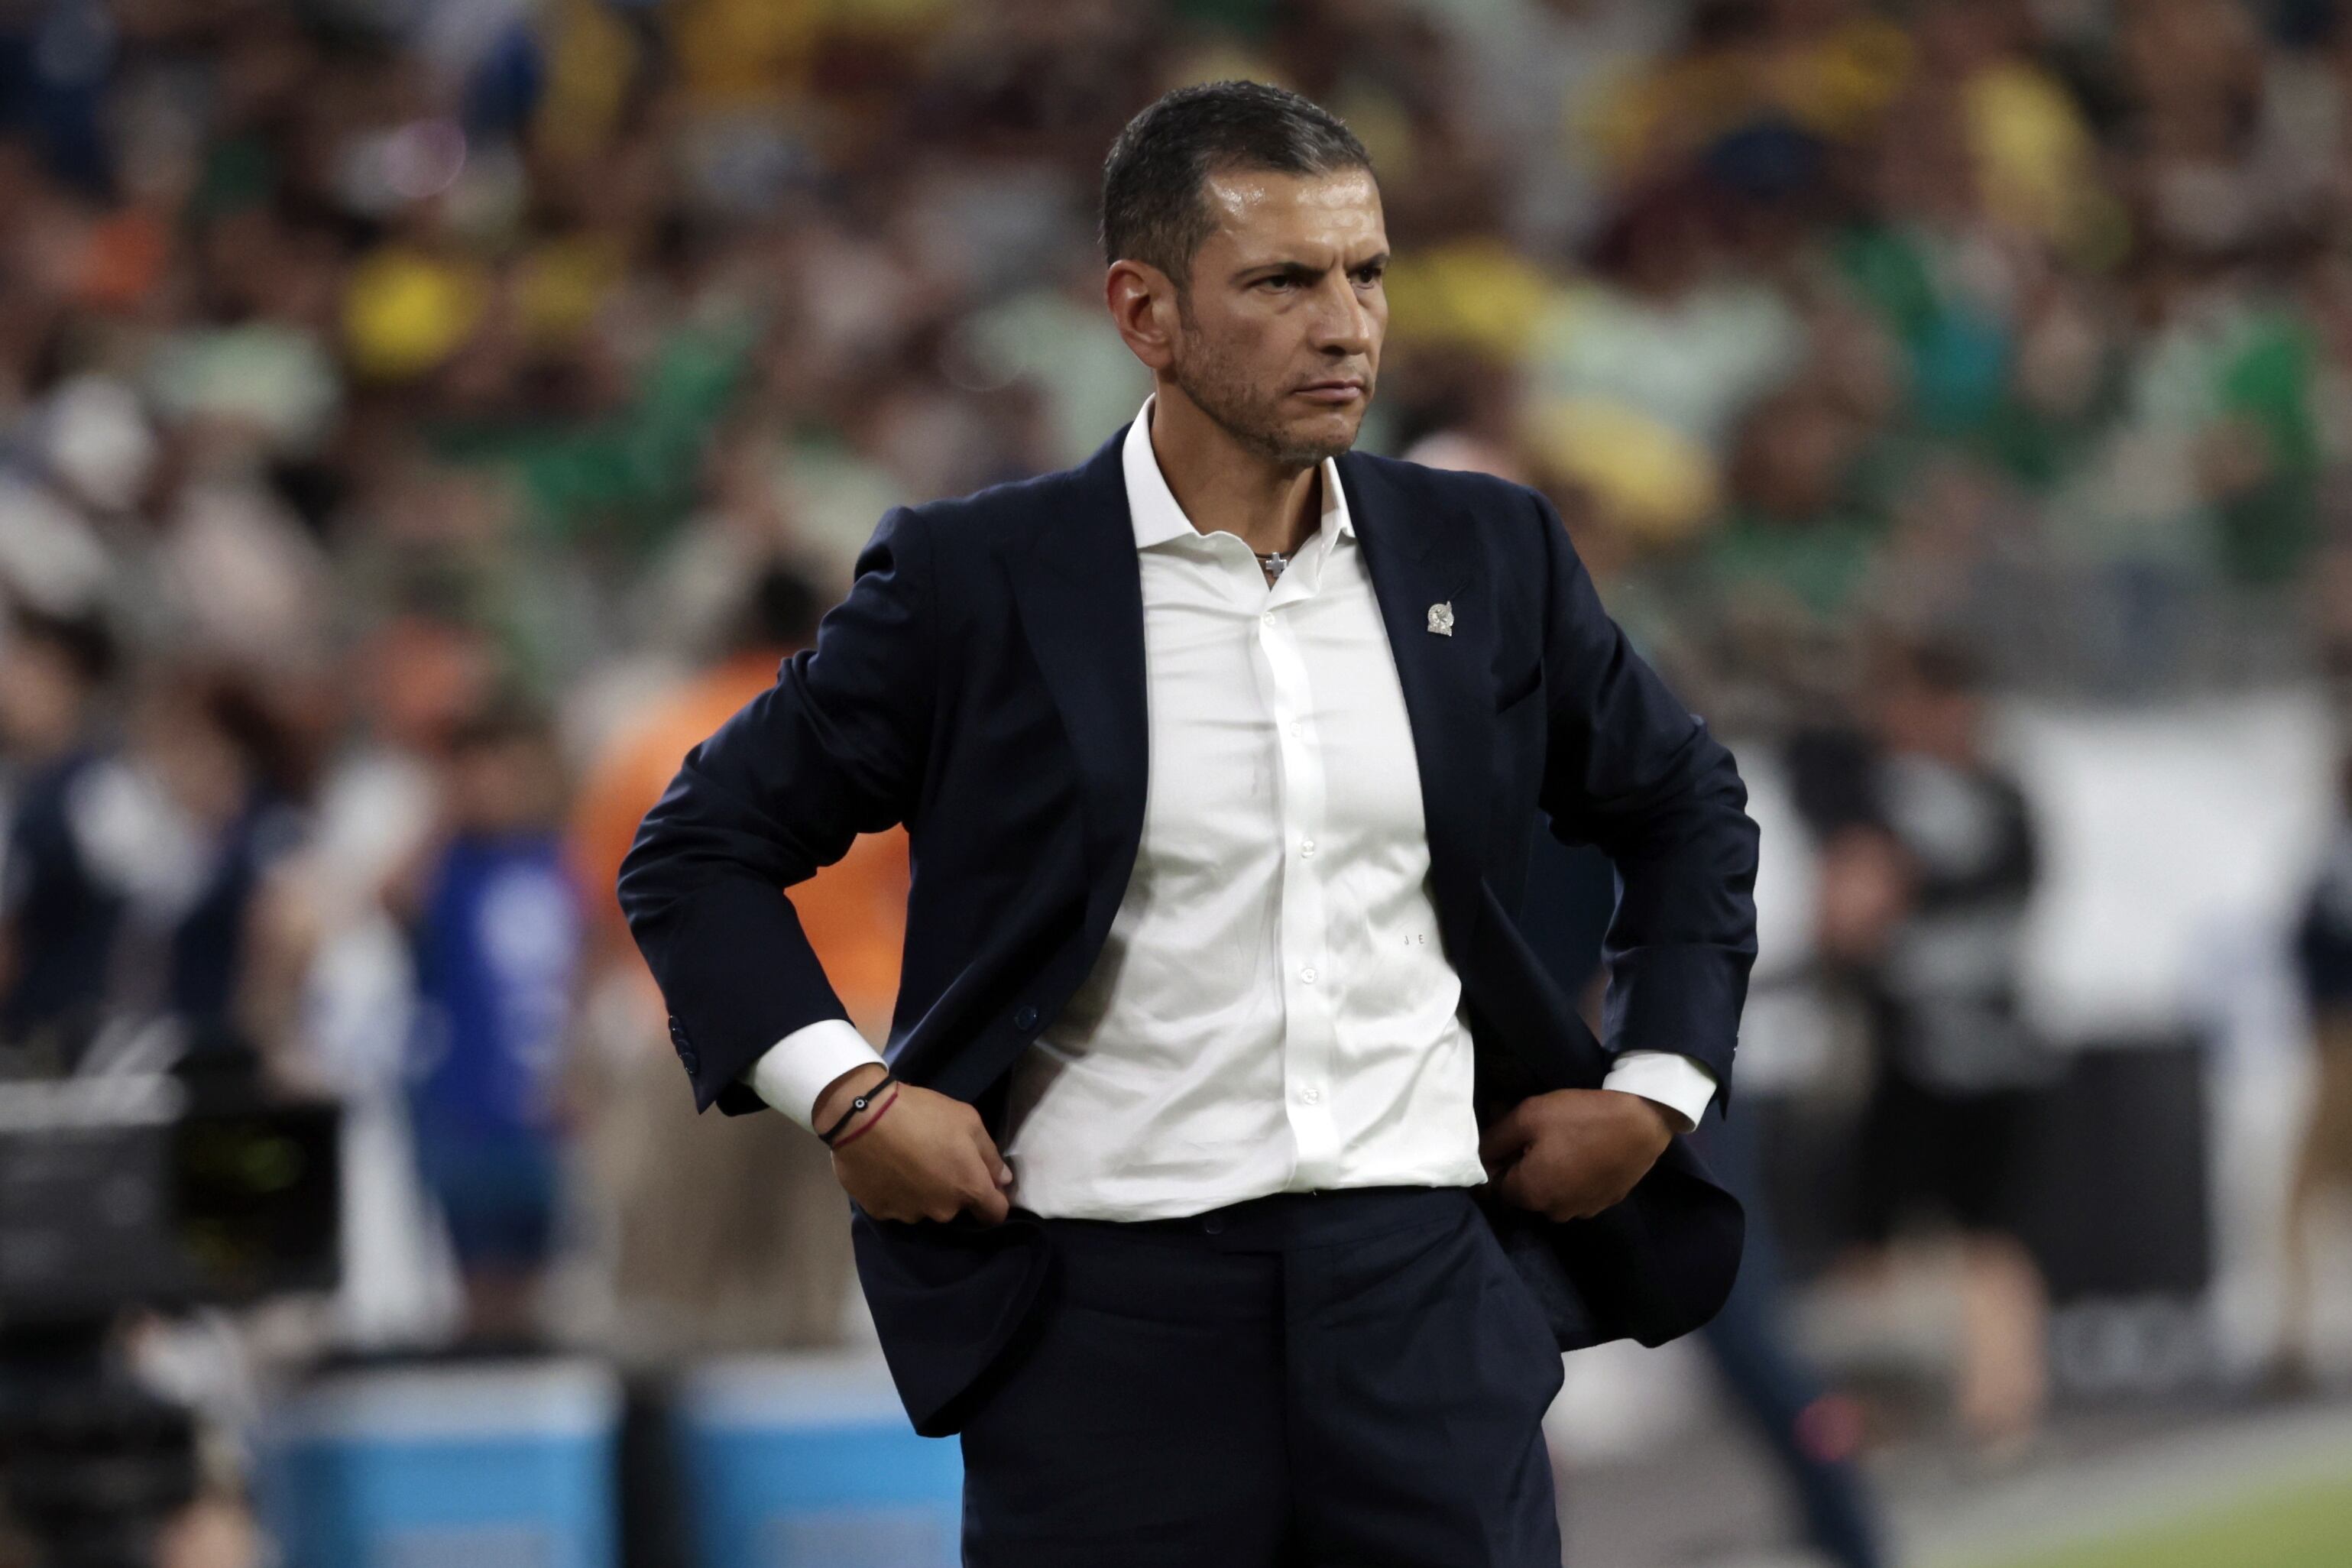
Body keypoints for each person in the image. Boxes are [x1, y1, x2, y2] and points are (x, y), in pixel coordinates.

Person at [620, 82, 1759, 1567]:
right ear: (1142, 312)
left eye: (1367, 273)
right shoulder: (982, 580)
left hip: (1422, 1302)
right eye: (1283, 281)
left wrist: (1660, 1084)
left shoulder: (1487, 551)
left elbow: (1685, 807)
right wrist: (850, 1097)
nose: (1345, 324)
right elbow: (696, 851)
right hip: (1104, 1335)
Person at [400, 695, 585, 1346]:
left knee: (543, 1286)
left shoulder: (569, 862)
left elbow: (593, 972)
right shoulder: (448, 867)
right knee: (478, 1291)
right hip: (463, 1110)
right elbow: (393, 901)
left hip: (546, 1118)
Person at [2280, 745, 2352, 1391]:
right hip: (2331, 1038)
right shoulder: (2334, 853)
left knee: (2301, 1198)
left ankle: (2296, 1337)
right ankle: (2296, 1335)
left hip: (2342, 1042)